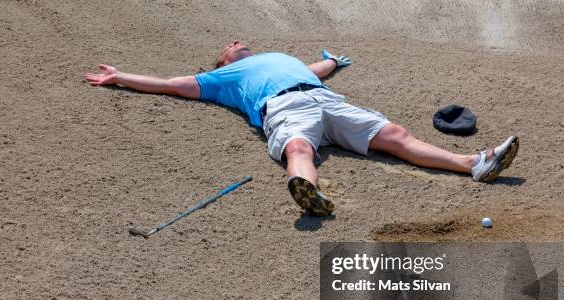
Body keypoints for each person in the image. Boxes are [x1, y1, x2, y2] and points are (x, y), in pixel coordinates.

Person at [84, 41, 519, 216]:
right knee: (297, 146)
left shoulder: (283, 59)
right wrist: (121, 76)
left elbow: (319, 68)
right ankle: (307, 192)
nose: (237, 41)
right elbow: (171, 85)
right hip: (285, 107)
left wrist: (331, 61)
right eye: (230, 45)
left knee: (396, 135)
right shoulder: (222, 79)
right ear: (222, 62)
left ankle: (475, 163)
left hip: (323, 98)